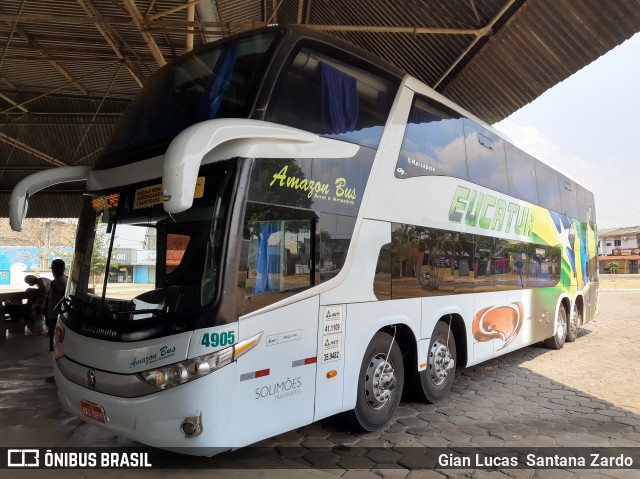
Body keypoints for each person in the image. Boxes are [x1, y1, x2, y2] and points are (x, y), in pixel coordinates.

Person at [46, 259, 67, 353]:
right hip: (56, 314)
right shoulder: (64, 280)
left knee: (54, 339)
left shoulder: (58, 282)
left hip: (55, 314)